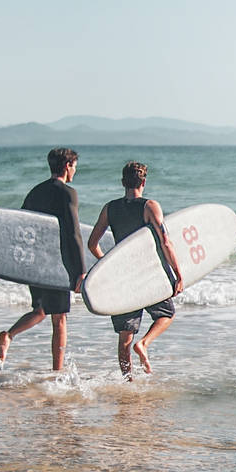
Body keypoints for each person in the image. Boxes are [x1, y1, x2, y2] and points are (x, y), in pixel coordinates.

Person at [0, 148, 89, 372]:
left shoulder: (35, 192)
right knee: (60, 319)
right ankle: (58, 371)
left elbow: (17, 228)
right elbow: (73, 233)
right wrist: (81, 271)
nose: (75, 170)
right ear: (67, 166)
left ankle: (9, 335)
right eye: (74, 165)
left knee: (40, 311)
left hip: (34, 262)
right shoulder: (68, 193)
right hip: (55, 263)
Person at [87, 160, 184, 377]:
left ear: (123, 182)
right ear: (144, 181)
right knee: (166, 314)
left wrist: (107, 265)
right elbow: (165, 241)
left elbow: (92, 244)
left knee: (125, 336)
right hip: (147, 274)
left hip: (122, 276)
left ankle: (127, 381)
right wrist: (178, 273)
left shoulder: (110, 208)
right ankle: (145, 344)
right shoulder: (149, 206)